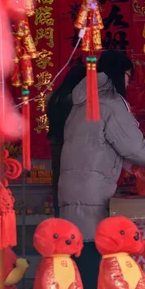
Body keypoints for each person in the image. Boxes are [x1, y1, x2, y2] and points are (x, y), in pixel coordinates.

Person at [58, 50, 145, 289]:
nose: (129, 82)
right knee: (92, 248)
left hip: (74, 184)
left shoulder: (81, 100)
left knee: (78, 246)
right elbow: (131, 143)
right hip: (92, 187)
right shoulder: (109, 101)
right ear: (120, 74)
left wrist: (128, 166)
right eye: (129, 76)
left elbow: (96, 143)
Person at [47, 63, 87, 218]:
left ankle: (60, 223)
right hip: (76, 150)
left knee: (60, 188)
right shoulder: (80, 101)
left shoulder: (53, 98)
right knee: (78, 193)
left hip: (56, 147)